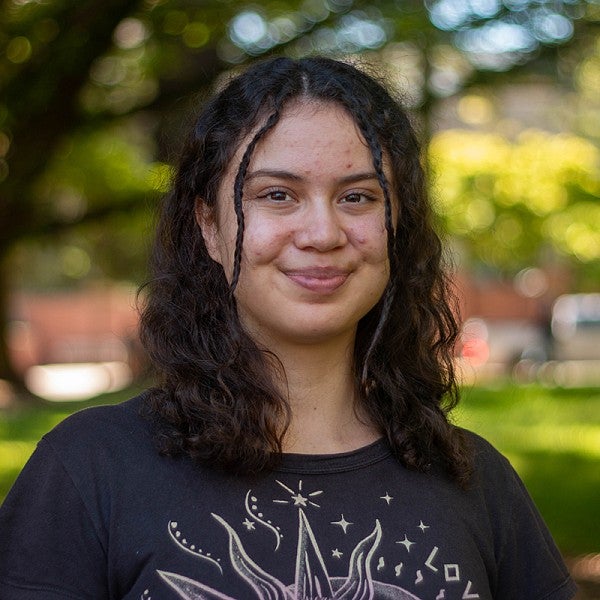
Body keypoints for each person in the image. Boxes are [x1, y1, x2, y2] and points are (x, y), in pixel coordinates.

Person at [0, 56, 576, 600]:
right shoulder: (88, 470)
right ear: (210, 227)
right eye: (278, 195)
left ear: (396, 227)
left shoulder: (478, 483)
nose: (322, 232)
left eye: (357, 196)